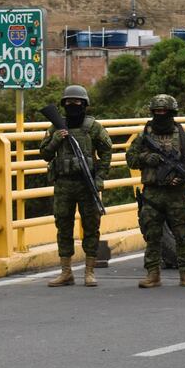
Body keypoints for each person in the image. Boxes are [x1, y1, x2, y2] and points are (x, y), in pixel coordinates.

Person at [39, 85, 112, 287]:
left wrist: (100, 178)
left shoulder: (93, 127)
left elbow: (107, 152)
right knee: (63, 226)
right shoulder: (56, 127)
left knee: (91, 226)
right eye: (69, 102)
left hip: (86, 184)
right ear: (63, 104)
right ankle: (66, 272)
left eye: (77, 102)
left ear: (84, 104)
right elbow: (44, 154)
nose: (73, 105)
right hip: (63, 184)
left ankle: (89, 272)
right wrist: (55, 140)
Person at [126, 94, 185, 288]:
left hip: (177, 194)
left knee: (182, 234)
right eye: (157, 112)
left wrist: (182, 178)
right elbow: (131, 158)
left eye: (164, 112)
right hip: (152, 193)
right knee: (152, 234)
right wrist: (146, 158)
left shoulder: (182, 136)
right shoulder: (144, 136)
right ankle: (153, 273)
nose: (160, 115)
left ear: (172, 113)